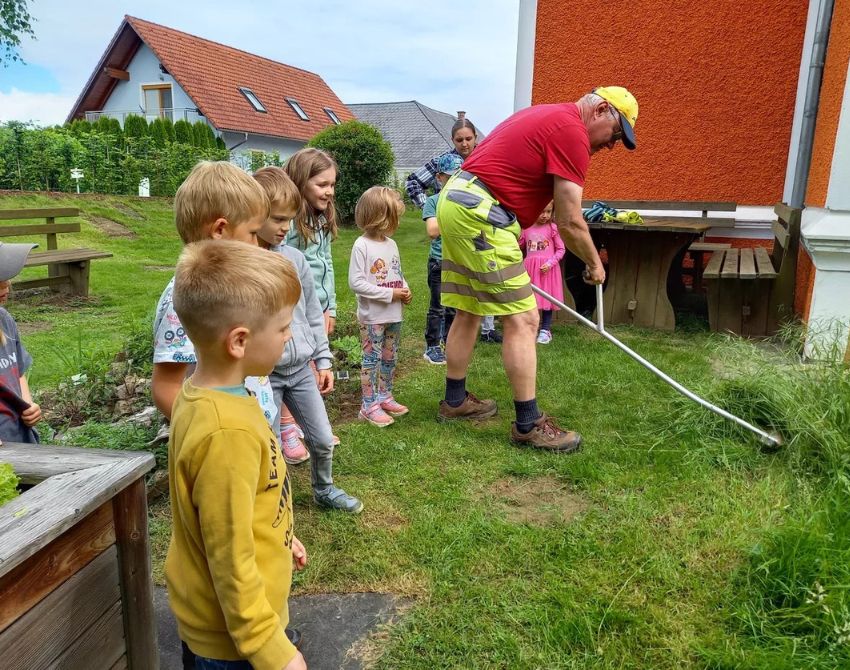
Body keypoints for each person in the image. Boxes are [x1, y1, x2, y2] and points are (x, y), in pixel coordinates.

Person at [150, 161, 302, 664]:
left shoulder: (211, 398)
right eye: (283, 329)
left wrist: (282, 536)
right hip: (235, 641)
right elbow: (230, 559)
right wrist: (269, 648)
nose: (289, 338)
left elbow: (237, 515)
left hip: (226, 620)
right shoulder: (224, 432)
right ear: (238, 339)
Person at [435, 86, 638, 452]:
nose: (611, 146)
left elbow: (509, 173)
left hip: (458, 200)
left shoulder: (549, 115)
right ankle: (529, 424)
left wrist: (508, 228)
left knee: (469, 309)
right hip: (480, 212)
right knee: (525, 319)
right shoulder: (572, 131)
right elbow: (570, 219)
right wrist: (595, 263)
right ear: (602, 110)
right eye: (616, 134)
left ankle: (454, 401)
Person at [253, 166, 363, 514]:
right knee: (269, 450)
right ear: (254, 215)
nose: (286, 227)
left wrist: (323, 359)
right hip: (263, 376)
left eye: (290, 218)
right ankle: (273, 508)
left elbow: (313, 314)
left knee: (321, 439)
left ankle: (323, 489)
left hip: (301, 370)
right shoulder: (246, 266)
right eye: (278, 219)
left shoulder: (295, 259)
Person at [406, 117, 502, 344]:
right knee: (452, 288)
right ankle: (449, 335)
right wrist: (437, 210)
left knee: (484, 272)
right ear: (453, 140)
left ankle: (486, 329)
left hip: (479, 223)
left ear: (476, 138)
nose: (465, 144)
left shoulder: (485, 158)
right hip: (450, 234)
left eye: (469, 138)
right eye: (459, 140)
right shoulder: (445, 161)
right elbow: (413, 183)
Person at [348, 186, 411, 427]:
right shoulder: (361, 245)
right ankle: (368, 404)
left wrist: (404, 288)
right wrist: (389, 293)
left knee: (389, 357)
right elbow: (356, 283)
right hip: (373, 316)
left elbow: (396, 272)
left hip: (394, 313)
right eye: (394, 217)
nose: (397, 222)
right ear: (380, 216)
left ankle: (385, 395)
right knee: (371, 359)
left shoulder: (391, 244)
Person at [284, 148, 339, 337]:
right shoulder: (288, 223)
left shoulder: (322, 219)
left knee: (320, 362)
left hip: (320, 307)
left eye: (332, 185)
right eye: (322, 185)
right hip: (296, 311)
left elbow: (327, 263)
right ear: (299, 183)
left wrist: (331, 308)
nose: (329, 191)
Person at [421, 152, 463, 364]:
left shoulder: (465, 201)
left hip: (458, 261)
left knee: (454, 306)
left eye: (459, 176)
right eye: (450, 177)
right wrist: (457, 218)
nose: (455, 181)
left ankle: (450, 341)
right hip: (439, 261)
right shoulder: (433, 201)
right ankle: (432, 346)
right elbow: (432, 230)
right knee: (438, 306)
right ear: (439, 178)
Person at [0, 242, 42, 444]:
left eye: (6, 278)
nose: (6, 286)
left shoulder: (4, 319)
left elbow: (18, 370)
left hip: (20, 439)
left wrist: (28, 404)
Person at [519, 201, 565, 344]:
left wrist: (550, 263)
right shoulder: (526, 228)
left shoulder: (553, 228)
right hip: (530, 270)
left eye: (549, 212)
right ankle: (528, 328)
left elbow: (561, 249)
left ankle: (545, 330)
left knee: (546, 300)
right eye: (541, 211)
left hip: (546, 271)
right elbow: (518, 245)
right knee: (529, 300)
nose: (545, 215)